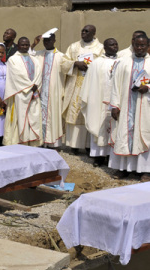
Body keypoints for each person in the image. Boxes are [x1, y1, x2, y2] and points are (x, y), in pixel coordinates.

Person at [108, 35, 150, 181]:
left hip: (145, 108)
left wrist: (148, 88)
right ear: (133, 45)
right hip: (125, 108)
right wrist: (114, 105)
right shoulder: (124, 62)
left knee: (144, 135)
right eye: (137, 45)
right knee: (124, 136)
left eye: (143, 45)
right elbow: (115, 85)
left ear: (147, 46)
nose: (139, 48)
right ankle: (123, 169)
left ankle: (144, 171)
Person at [61, 25, 104, 154]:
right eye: (82, 31)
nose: (83, 33)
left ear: (94, 33)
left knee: (89, 112)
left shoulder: (100, 48)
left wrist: (92, 67)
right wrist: (75, 63)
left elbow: (103, 65)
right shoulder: (74, 46)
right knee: (74, 112)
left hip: (91, 85)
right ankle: (73, 145)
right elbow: (63, 62)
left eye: (87, 31)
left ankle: (88, 145)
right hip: (75, 84)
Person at [81, 38, 118, 167]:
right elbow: (89, 84)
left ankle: (111, 156)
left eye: (116, 44)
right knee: (98, 125)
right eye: (111, 45)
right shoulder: (96, 63)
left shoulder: (121, 61)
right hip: (99, 102)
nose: (115, 46)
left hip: (114, 103)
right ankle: (98, 157)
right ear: (105, 47)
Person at [3, 37, 42, 147]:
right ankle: (18, 141)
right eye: (22, 45)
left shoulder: (35, 59)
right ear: (18, 46)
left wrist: (36, 85)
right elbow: (16, 76)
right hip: (20, 94)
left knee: (33, 117)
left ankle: (32, 141)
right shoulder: (12, 59)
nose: (25, 47)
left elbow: (39, 73)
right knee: (20, 117)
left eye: (27, 45)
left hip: (33, 93)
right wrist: (30, 86)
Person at [32, 31, 65, 147]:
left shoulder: (61, 56)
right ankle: (40, 140)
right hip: (41, 92)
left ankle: (53, 143)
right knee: (40, 116)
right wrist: (34, 44)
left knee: (53, 116)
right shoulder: (39, 54)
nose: (47, 43)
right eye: (45, 40)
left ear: (54, 41)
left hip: (54, 93)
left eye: (49, 40)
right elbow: (26, 56)